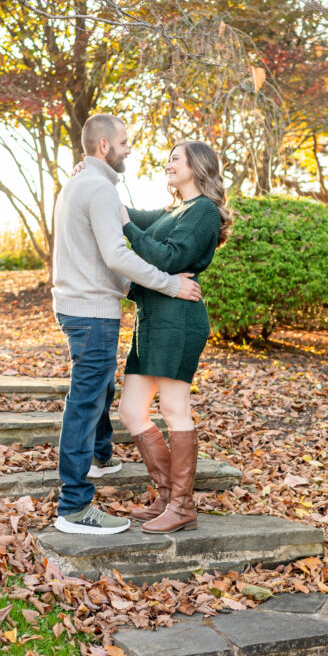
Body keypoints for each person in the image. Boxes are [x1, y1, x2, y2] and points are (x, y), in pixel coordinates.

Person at [52, 114, 202, 536]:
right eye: (124, 142)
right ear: (103, 147)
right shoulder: (96, 186)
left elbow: (131, 221)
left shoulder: (83, 183)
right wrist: (169, 284)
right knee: (86, 399)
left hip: (79, 304)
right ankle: (75, 506)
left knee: (100, 388)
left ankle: (101, 456)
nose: (130, 148)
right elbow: (118, 255)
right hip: (91, 309)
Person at [117, 140, 232, 533]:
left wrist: (128, 227)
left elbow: (167, 258)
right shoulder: (174, 209)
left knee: (174, 410)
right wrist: (97, 182)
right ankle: (168, 496)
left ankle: (182, 506)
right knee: (131, 410)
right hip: (151, 317)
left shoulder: (203, 212)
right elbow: (128, 213)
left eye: (175, 158)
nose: (167, 163)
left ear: (197, 166)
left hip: (179, 319)